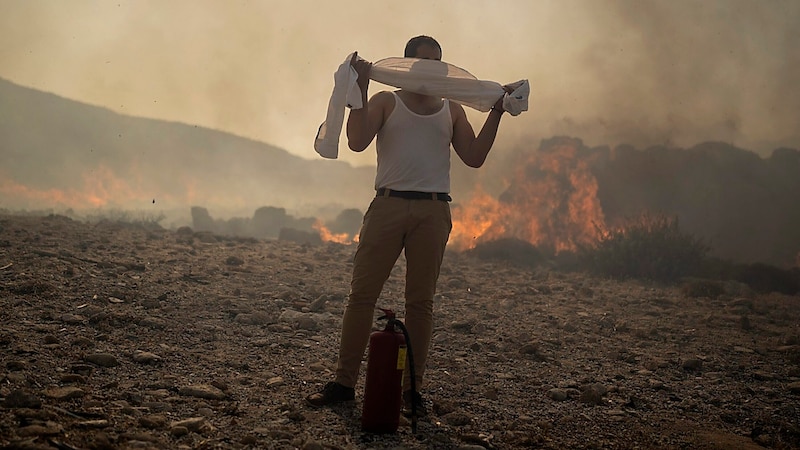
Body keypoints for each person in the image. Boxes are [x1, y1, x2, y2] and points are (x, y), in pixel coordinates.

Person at [306, 35, 511, 415]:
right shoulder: (388, 101)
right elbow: (355, 141)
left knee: (420, 304)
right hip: (388, 205)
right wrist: (362, 89)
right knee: (362, 297)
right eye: (423, 62)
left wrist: (496, 112)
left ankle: (412, 391)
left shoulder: (451, 110)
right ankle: (343, 383)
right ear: (408, 65)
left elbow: (475, 157)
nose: (430, 68)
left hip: (433, 212)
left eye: (437, 61)